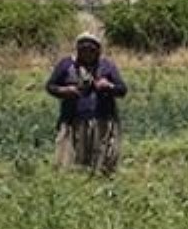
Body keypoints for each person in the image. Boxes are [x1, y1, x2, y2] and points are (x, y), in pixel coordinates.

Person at [45, 33, 128, 174]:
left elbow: (122, 90)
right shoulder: (67, 65)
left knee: (102, 162)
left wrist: (108, 86)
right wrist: (65, 90)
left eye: (91, 50)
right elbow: (50, 86)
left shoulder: (107, 66)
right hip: (72, 119)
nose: (87, 53)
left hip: (102, 119)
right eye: (84, 50)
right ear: (78, 50)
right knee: (70, 162)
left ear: (97, 51)